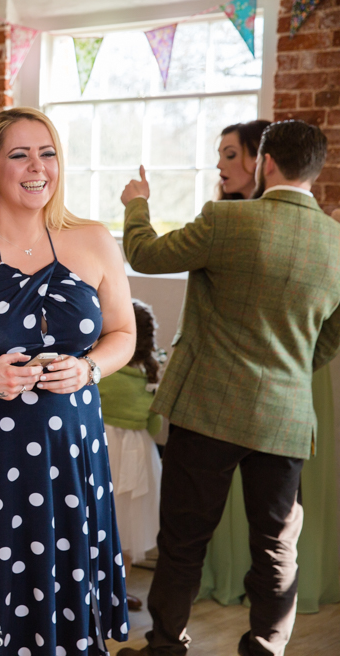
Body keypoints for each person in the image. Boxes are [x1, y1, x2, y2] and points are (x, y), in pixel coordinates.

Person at [0, 107, 136, 654]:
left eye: (48, 153)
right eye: (20, 154)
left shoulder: (93, 239)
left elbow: (124, 333)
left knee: (64, 594)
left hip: (71, 454)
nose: (38, 167)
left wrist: (89, 367)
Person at [118, 119, 340, 656]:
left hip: (207, 411)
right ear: (316, 169)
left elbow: (144, 255)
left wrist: (137, 204)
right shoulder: (336, 242)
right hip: (285, 417)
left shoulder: (227, 220)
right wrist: (288, 369)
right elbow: (331, 336)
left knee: (184, 542)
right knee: (275, 548)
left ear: (265, 163)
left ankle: (166, 646)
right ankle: (265, 647)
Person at [98, 299, 164, 613]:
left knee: (98, 519)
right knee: (127, 525)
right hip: (140, 454)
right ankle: (117, 593)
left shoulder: (104, 368)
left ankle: (88, 590)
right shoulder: (151, 373)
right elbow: (154, 424)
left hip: (105, 446)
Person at [215, 120, 270, 200]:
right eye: (220, 156)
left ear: (259, 158)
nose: (219, 165)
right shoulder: (219, 210)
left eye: (231, 155)